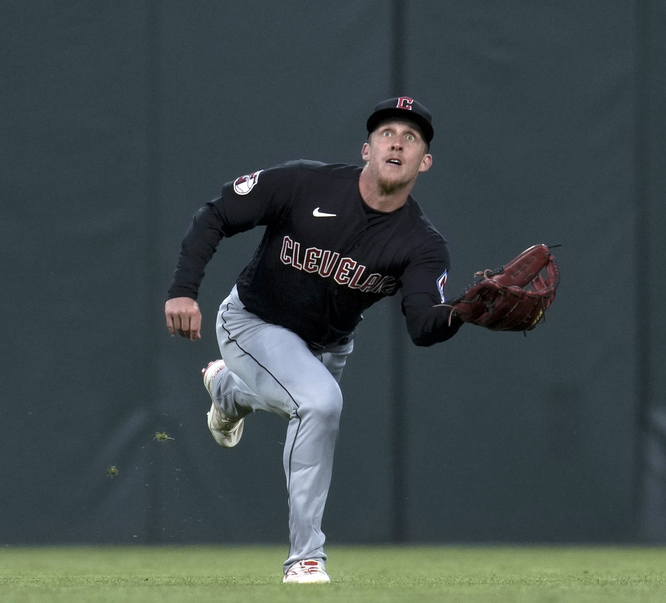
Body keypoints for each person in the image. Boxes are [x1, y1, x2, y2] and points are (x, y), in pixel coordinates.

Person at [164, 96, 463, 584]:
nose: (397, 142)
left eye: (411, 138)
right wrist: (182, 291)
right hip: (249, 324)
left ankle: (228, 392)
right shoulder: (305, 183)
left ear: (423, 162)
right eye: (387, 133)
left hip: (327, 347)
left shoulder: (422, 244)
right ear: (366, 149)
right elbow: (216, 214)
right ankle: (305, 557)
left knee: (303, 393)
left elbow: (422, 325)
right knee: (320, 403)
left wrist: (466, 314)